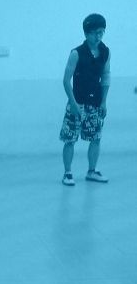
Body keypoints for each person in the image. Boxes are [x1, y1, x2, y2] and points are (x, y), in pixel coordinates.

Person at [60, 13, 111, 186]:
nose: (99, 36)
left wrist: (103, 101)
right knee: (70, 139)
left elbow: (106, 76)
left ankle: (92, 171)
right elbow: (66, 81)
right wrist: (73, 103)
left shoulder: (105, 52)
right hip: (77, 102)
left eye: (101, 32)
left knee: (96, 138)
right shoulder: (76, 53)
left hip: (95, 103)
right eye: (95, 33)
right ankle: (68, 173)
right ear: (86, 33)